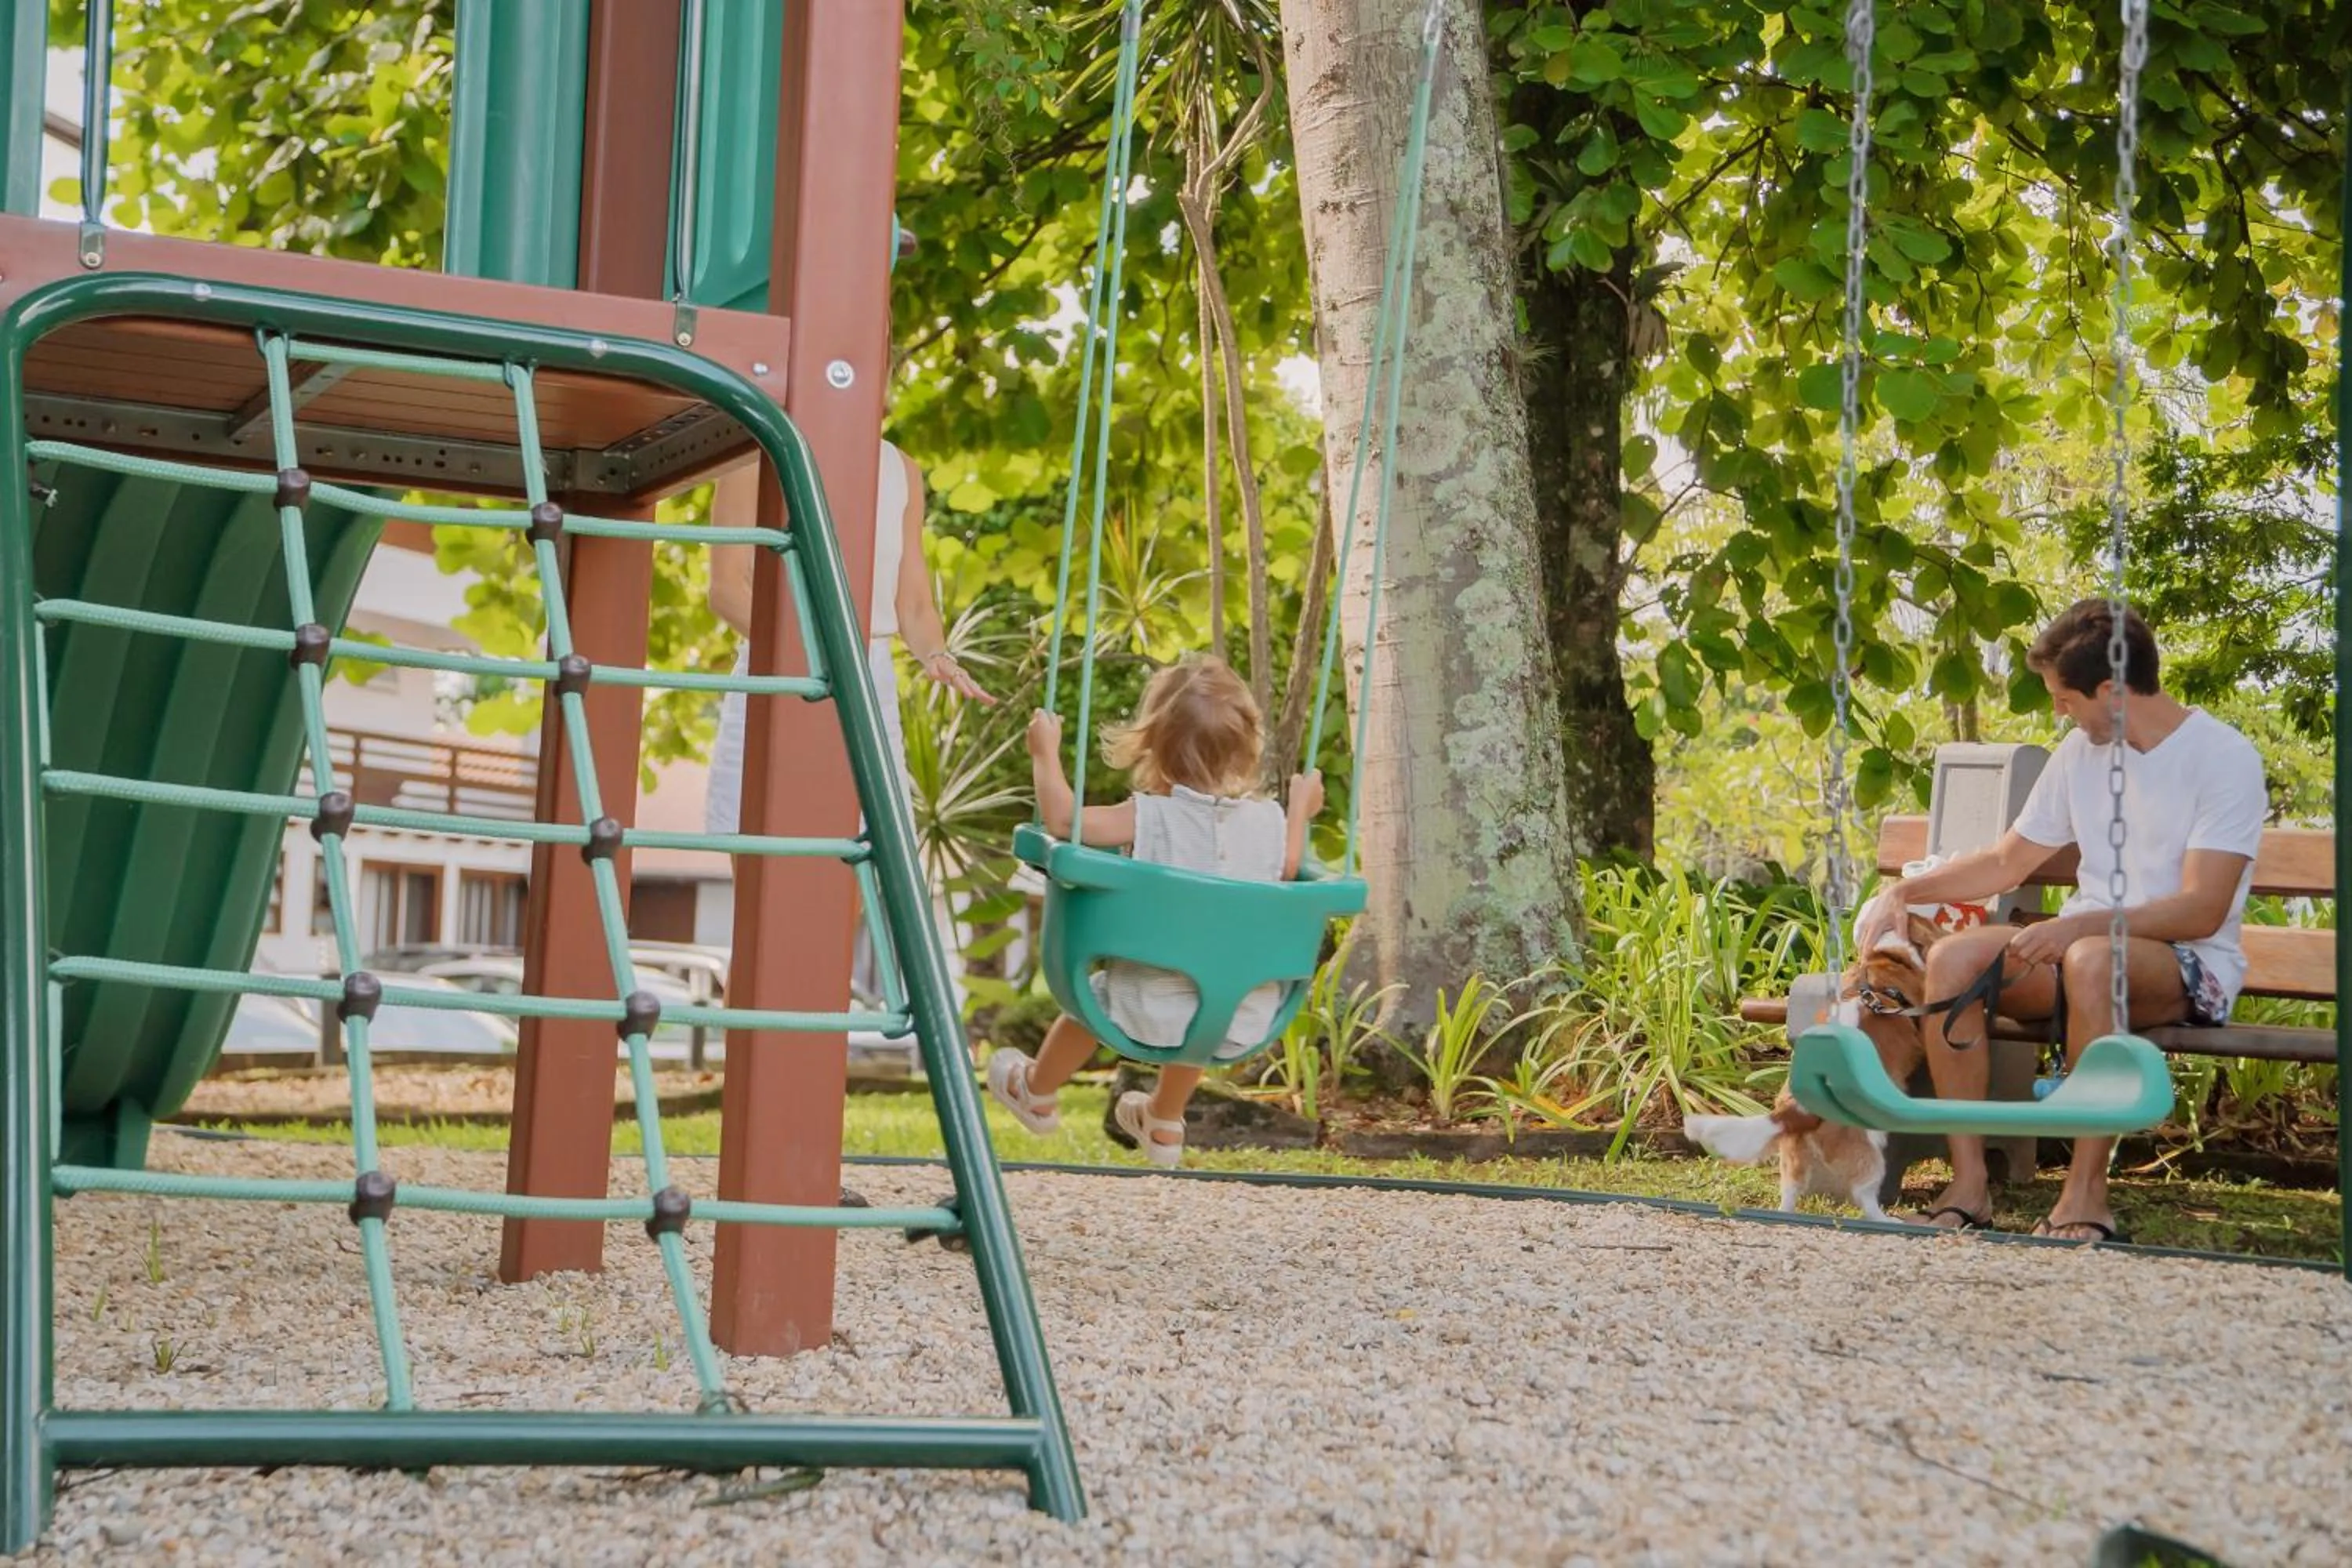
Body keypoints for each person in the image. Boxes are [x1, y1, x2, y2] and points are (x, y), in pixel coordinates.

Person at [1853, 598, 2267, 1243]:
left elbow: (2201, 908)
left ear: (2111, 689)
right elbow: (2006, 861)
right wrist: (1906, 893)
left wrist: (2077, 928)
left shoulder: (2222, 757)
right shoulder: (2080, 752)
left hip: (2186, 963)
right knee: (1956, 958)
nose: (2058, 712)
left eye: (2064, 698)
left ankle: (2085, 1193)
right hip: (2080, 955)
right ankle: (1968, 1186)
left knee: (2094, 958)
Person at [984, 655, 1324, 1168]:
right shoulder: (1268, 824)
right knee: (1210, 987)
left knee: (1092, 1001)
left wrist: (1044, 754)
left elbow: (1062, 820)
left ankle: (1038, 1089)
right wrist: (1301, 807)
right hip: (1239, 1019)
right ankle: (1165, 1121)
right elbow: (1290, 864)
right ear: (1248, 746)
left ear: (1152, 745)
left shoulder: (1149, 816)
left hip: (1137, 1008)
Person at [705, 438, 994, 1002]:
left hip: (869, 674)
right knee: (763, 892)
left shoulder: (902, 469)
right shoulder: (754, 453)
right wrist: (809, 651)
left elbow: (913, 603)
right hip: (778, 664)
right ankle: (749, 1060)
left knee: (850, 877)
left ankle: (815, 1059)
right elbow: (726, 588)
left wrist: (936, 655)